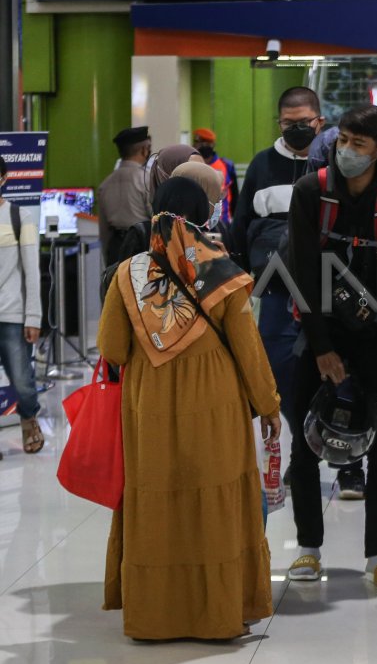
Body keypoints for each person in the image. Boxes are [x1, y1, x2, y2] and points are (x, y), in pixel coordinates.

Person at [96, 176, 282, 640]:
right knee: (215, 503)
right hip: (215, 400)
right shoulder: (224, 271)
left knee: (156, 501)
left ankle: (155, 617)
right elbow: (248, 349)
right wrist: (268, 404)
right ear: (203, 217)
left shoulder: (128, 273)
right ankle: (218, 613)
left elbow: (113, 349)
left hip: (150, 402)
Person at [285, 104, 377, 589]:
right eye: (343, 141)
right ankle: (308, 550)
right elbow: (301, 271)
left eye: (359, 144)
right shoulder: (310, 190)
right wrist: (320, 346)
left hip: (373, 337)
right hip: (318, 331)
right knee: (305, 443)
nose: (347, 151)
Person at [233, 88, 344, 492]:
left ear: (320, 119)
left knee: (338, 373)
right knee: (282, 374)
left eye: (305, 122)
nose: (298, 130)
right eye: (288, 123)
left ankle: (347, 460)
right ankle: (304, 457)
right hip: (276, 291)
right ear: (279, 122)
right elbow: (243, 225)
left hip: (330, 292)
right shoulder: (262, 165)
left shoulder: (336, 159)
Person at [0, 159, 43, 454]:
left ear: (4, 178)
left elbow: (32, 270)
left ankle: (29, 420)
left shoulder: (20, 216)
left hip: (12, 313)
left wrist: (33, 316)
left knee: (21, 380)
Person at [112, 145, 203, 264]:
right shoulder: (143, 237)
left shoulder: (213, 228)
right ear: (167, 176)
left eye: (204, 171)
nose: (201, 180)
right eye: (192, 173)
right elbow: (128, 280)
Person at [96, 126, 152, 265]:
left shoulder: (106, 184)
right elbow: (155, 218)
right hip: (142, 247)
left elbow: (104, 232)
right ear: (144, 150)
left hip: (116, 248)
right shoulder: (147, 180)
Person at [193, 128, 239, 225]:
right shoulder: (191, 166)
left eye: (200, 142)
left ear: (212, 145)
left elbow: (235, 197)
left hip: (223, 223)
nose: (196, 146)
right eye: (196, 142)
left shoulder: (226, 165)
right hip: (197, 224)